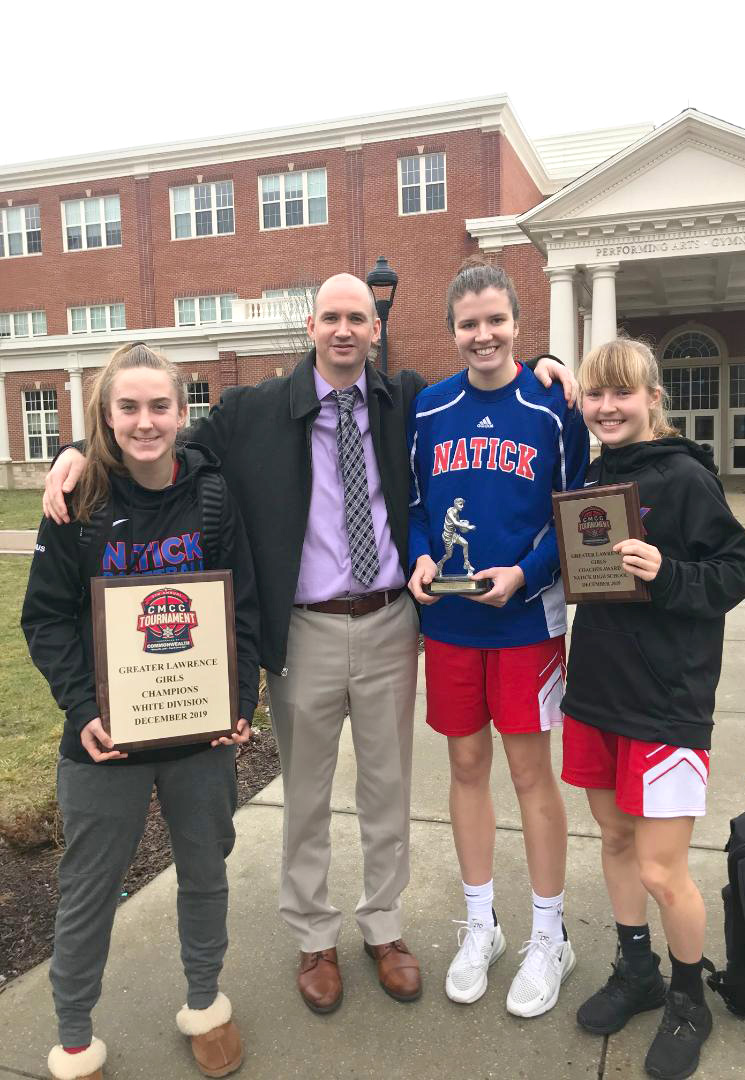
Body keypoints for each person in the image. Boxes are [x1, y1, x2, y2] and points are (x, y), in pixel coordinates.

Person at [43, 273, 577, 1017]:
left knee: (389, 789)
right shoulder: (256, 409)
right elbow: (161, 437)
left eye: (359, 317)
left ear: (374, 328)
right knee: (308, 795)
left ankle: (384, 929)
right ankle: (314, 938)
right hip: (304, 629)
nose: (345, 330)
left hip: (392, 620)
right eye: (332, 317)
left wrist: (548, 361)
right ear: (310, 325)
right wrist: (78, 446)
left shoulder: (407, 400)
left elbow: (490, 367)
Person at [22, 343, 259, 1080]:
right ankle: (72, 1038)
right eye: (129, 407)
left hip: (198, 729)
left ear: (182, 412)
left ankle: (204, 1002)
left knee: (205, 872)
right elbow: (47, 618)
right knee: (90, 886)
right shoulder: (79, 501)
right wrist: (83, 706)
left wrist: (237, 701)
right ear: (106, 414)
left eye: (160, 406)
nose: (146, 421)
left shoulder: (213, 496)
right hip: (104, 738)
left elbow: (241, 611)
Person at [560, 338, 745, 1080]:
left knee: (661, 867)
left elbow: (740, 567)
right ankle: (636, 969)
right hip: (597, 692)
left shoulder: (683, 479)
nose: (607, 407)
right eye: (595, 395)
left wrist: (670, 572)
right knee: (614, 841)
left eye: (622, 394)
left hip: (666, 704)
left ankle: (687, 999)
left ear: (652, 399)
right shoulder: (594, 473)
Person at [408, 258, 589, 1018]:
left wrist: (527, 573)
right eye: (469, 323)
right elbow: (417, 503)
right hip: (449, 621)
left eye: (495, 321)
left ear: (518, 324)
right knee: (465, 762)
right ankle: (480, 922)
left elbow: (578, 513)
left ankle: (550, 935)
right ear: (452, 331)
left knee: (527, 772)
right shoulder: (428, 408)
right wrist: (421, 553)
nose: (483, 334)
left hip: (525, 619)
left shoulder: (552, 407)